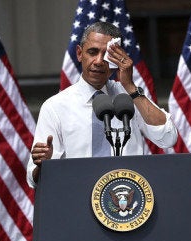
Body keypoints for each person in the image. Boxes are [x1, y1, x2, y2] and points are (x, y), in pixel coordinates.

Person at [27, 22, 178, 187]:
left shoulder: (130, 96)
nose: (98, 61)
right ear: (79, 53)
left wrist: (130, 87)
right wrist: (43, 164)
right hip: (78, 200)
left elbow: (168, 137)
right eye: (92, 52)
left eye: (106, 55)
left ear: (117, 60)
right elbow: (33, 179)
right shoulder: (55, 107)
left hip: (128, 200)